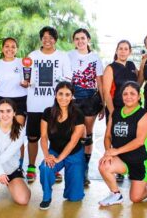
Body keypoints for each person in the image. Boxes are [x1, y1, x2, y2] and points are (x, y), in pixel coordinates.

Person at [25, 26, 72, 183]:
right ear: (41, 39)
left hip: (55, 106)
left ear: (55, 40)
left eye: (51, 37)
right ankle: (31, 167)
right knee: (33, 137)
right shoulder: (32, 56)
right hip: (34, 105)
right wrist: (25, 82)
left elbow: (68, 81)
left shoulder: (63, 56)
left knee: (55, 138)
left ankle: (55, 166)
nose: (47, 40)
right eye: (44, 37)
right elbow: (26, 78)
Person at [98, 81, 147, 206]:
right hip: (123, 158)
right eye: (125, 94)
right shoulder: (116, 113)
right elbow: (107, 136)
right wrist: (108, 152)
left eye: (132, 93)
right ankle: (116, 194)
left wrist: (116, 151)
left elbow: (139, 141)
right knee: (104, 164)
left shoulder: (144, 115)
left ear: (139, 96)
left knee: (135, 198)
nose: (128, 96)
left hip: (141, 160)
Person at [38, 82, 85, 210]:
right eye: (60, 94)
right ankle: (47, 196)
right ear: (55, 94)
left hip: (74, 154)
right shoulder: (48, 112)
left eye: (67, 95)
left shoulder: (78, 114)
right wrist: (47, 156)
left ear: (72, 97)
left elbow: (73, 142)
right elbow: (43, 137)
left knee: (74, 197)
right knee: (45, 167)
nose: (63, 98)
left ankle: (73, 185)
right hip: (55, 152)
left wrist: (59, 159)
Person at [68, 28, 105, 186]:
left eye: (83, 38)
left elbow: (99, 81)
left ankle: (84, 170)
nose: (80, 41)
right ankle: (74, 169)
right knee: (76, 135)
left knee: (87, 136)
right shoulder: (68, 56)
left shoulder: (95, 58)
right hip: (74, 99)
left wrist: (103, 104)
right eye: (77, 38)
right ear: (74, 41)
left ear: (88, 39)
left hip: (91, 99)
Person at [102, 40, 138, 182]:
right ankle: (117, 169)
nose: (123, 51)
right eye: (120, 49)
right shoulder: (110, 68)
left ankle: (128, 167)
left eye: (126, 49)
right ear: (116, 51)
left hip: (130, 109)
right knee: (115, 138)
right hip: (116, 108)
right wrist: (112, 113)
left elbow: (138, 83)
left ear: (130, 51)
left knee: (129, 137)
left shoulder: (131, 66)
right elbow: (106, 92)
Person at [0, 37, 28, 126]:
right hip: (3, 99)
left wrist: (25, 84)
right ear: (2, 48)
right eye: (7, 46)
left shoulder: (23, 62)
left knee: (18, 131)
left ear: (17, 49)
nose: (10, 49)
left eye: (13, 47)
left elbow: (27, 82)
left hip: (20, 99)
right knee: (5, 130)